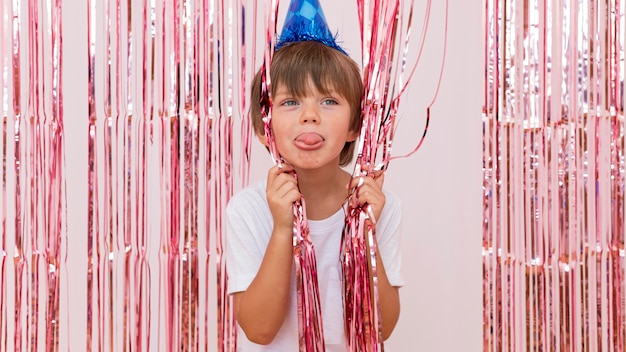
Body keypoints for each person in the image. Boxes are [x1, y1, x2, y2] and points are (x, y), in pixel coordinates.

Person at [224, 2, 404, 351]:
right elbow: (259, 330)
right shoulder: (247, 210)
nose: (310, 116)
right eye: (291, 102)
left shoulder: (380, 206)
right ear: (265, 127)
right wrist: (281, 229)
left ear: (355, 126)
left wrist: (365, 231)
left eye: (328, 102)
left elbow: (382, 328)